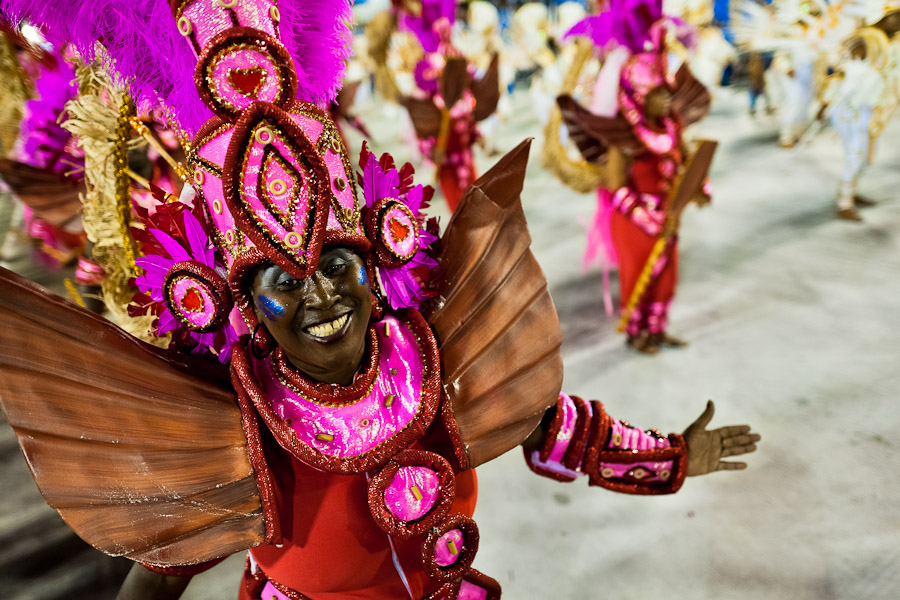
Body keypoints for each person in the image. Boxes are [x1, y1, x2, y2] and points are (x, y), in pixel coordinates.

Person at [0, 1, 759, 599]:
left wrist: (671, 456)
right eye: (282, 283)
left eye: (336, 262)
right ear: (244, 308)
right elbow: (159, 568)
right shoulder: (232, 415)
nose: (321, 294)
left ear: (375, 254)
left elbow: (542, 421)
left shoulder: (432, 353)